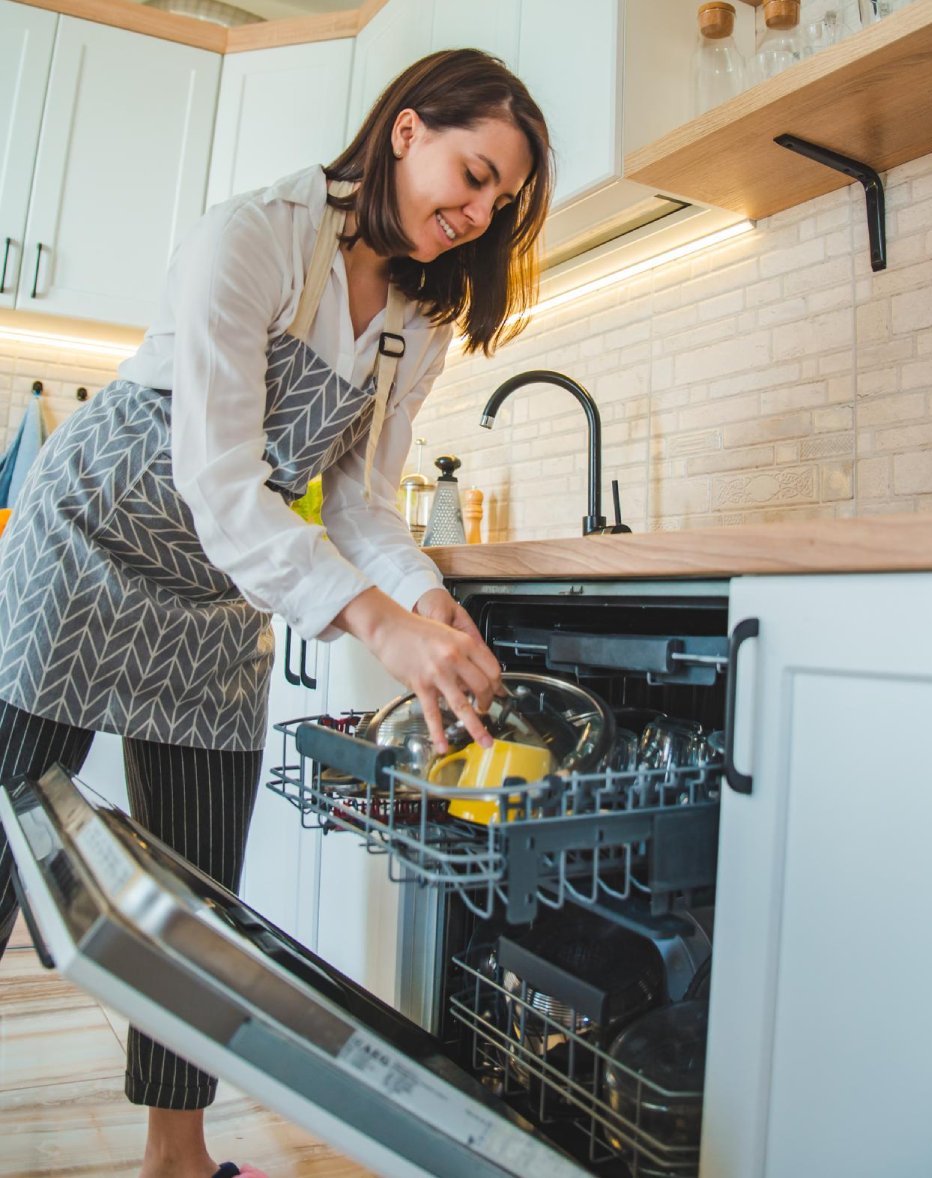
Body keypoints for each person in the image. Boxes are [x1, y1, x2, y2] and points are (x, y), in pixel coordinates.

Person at [0, 47, 551, 1178]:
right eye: (474, 174)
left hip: (217, 594)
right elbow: (220, 480)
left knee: (195, 896)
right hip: (85, 551)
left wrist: (425, 599)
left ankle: (175, 1159)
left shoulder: (418, 317)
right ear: (407, 129)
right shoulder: (252, 236)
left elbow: (356, 498)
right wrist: (376, 624)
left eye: (499, 201)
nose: (479, 212)